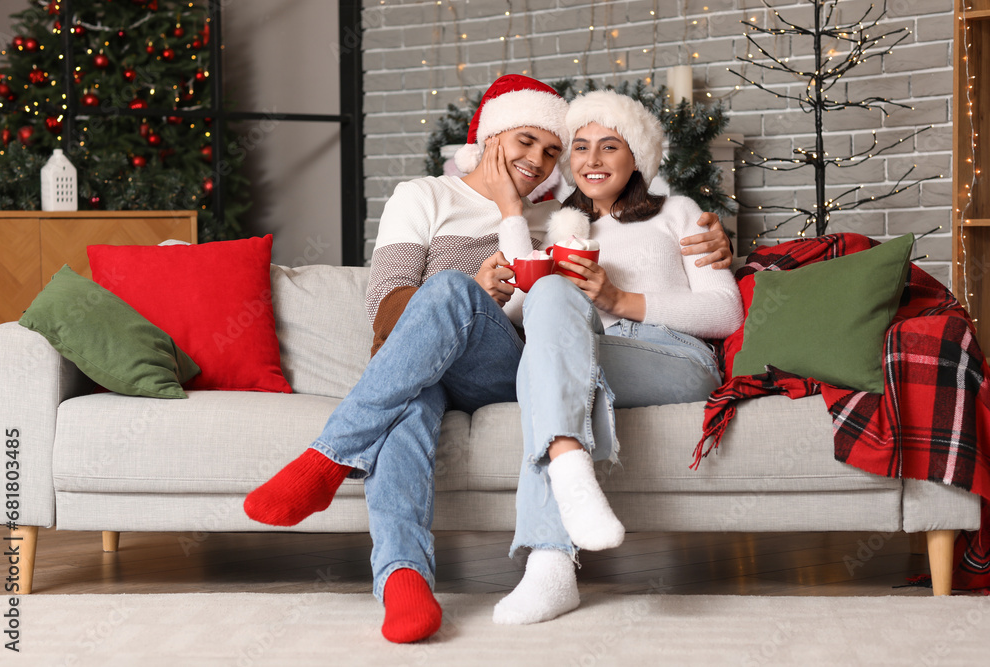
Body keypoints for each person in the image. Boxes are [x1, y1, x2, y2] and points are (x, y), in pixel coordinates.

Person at [243, 75, 733, 644]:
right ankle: (403, 579)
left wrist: (710, 238)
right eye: (527, 142)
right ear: (493, 136)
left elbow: (554, 310)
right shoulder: (425, 196)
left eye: (553, 151)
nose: (539, 161)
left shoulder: (553, 221)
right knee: (418, 380)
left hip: (501, 367)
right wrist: (472, 287)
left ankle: (329, 456)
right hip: (420, 363)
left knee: (456, 298)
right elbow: (386, 310)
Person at [490, 90, 745, 625]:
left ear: (637, 158)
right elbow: (521, 314)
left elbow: (725, 313)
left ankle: (550, 558)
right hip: (589, 359)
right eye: (579, 147)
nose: (592, 160)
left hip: (671, 357)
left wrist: (617, 300)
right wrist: (513, 219)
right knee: (550, 306)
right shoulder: (560, 228)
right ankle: (566, 487)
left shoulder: (680, 212)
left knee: (542, 373)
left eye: (610, 146)